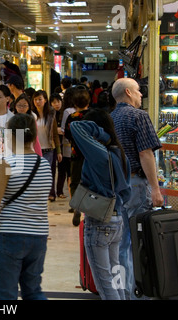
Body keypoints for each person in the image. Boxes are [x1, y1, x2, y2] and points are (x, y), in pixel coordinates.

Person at [0, 113, 52, 300]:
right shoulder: (44, 165)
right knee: (33, 290)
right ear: (34, 136)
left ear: (11, 136)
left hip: (10, 235)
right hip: (38, 235)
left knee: (7, 294)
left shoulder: (7, 164)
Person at [110, 77, 164, 300]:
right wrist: (155, 188)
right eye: (139, 91)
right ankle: (137, 294)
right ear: (129, 93)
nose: (142, 94)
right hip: (135, 185)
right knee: (138, 241)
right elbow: (145, 153)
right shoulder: (138, 116)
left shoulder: (110, 118)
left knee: (120, 244)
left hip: (116, 185)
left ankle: (122, 293)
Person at [70, 109, 131, 300]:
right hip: (117, 220)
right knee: (115, 279)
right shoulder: (119, 153)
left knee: (106, 285)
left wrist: (99, 134)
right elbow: (126, 192)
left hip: (99, 223)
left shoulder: (100, 153)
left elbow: (75, 126)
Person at [64, 88, 91, 226]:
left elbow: (67, 135)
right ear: (89, 101)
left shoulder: (71, 117)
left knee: (75, 182)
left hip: (75, 154)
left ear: (74, 103)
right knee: (90, 183)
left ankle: (77, 206)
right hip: (92, 155)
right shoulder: (93, 116)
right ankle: (89, 210)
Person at [32, 90, 62, 201]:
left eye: (40, 99)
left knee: (48, 173)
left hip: (49, 148)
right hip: (36, 149)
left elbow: (55, 133)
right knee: (38, 174)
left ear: (45, 100)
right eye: (35, 99)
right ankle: (40, 194)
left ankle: (51, 193)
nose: (37, 102)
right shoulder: (31, 115)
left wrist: (58, 151)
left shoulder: (51, 114)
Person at [50, 93, 70, 199]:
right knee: (53, 169)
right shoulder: (50, 114)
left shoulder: (65, 114)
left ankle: (60, 191)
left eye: (58, 101)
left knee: (62, 169)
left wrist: (60, 131)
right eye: (54, 102)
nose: (57, 104)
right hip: (53, 144)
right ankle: (52, 192)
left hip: (63, 145)